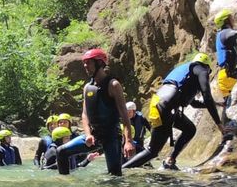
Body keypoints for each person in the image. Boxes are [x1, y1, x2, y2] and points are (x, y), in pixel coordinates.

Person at [123, 52, 225, 171]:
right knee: (152, 151)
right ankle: (121, 170)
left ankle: (170, 160)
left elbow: (194, 103)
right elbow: (207, 96)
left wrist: (217, 103)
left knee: (189, 129)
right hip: (167, 106)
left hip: (158, 103)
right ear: (206, 66)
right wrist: (219, 125)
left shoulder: (187, 73)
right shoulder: (202, 70)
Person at [57, 48, 134, 176]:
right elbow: (85, 114)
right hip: (94, 135)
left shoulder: (113, 85)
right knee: (61, 152)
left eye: (89, 62)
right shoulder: (87, 87)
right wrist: (88, 134)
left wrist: (129, 141)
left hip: (111, 137)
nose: (85, 66)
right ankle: (65, 181)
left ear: (99, 63)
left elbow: (124, 116)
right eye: (84, 63)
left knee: (114, 175)